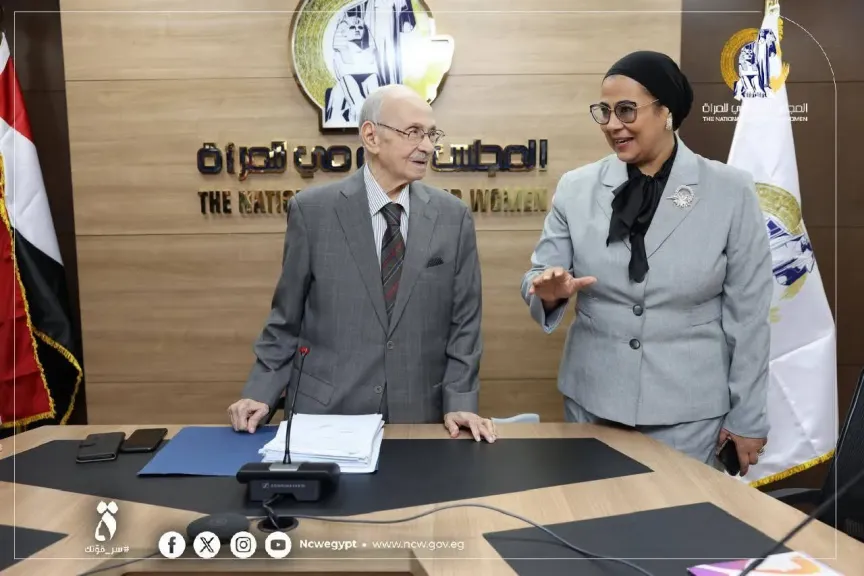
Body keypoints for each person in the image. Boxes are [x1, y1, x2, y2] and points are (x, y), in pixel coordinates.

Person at [519, 51, 772, 474]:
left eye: (626, 110)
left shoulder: (730, 190)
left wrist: (748, 417)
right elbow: (538, 275)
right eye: (604, 112)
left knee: (679, 516)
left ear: (666, 111)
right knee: (590, 511)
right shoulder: (576, 188)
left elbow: (749, 316)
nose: (612, 124)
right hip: (592, 403)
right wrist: (548, 292)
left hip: (690, 415)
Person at [229, 84, 495, 443]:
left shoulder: (453, 216)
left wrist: (460, 401)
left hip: (418, 415)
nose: (428, 146)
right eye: (413, 132)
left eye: (431, 134)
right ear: (371, 136)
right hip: (326, 415)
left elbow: (465, 324)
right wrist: (260, 392)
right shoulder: (313, 212)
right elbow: (286, 319)